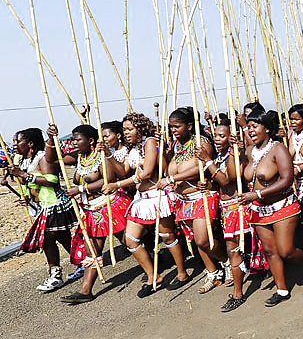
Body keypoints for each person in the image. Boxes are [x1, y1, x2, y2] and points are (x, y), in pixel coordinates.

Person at [238, 109, 303, 307]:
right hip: (259, 210)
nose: (250, 130)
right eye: (248, 127)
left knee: (285, 251)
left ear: (266, 128)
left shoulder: (278, 149)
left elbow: (287, 180)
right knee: (270, 251)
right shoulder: (249, 152)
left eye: (254, 126)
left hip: (282, 205)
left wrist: (257, 194)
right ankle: (282, 290)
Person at [104, 112, 188, 297]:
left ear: (139, 128)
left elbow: (148, 172)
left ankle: (182, 273)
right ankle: (153, 276)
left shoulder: (150, 142)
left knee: (167, 236)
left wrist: (117, 185)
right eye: (124, 130)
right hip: (141, 198)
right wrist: (107, 155)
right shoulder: (131, 148)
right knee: (131, 239)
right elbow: (122, 170)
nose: (126, 133)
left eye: (129, 129)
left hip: (157, 195)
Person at [45, 124, 130, 304]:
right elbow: (52, 159)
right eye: (73, 139)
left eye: (78, 139)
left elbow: (108, 179)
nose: (74, 142)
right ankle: (85, 291)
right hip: (90, 210)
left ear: (90, 141)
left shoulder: (101, 155)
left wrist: (80, 189)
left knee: (129, 242)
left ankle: (153, 266)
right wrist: (52, 139)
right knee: (92, 250)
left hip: (109, 206)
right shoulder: (78, 157)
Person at [155, 107, 228, 294]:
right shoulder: (175, 145)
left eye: (177, 126)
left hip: (201, 196)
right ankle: (213, 273)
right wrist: (162, 151)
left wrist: (172, 180)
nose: (173, 130)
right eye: (170, 127)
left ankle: (227, 262)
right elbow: (167, 170)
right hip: (183, 201)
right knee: (196, 240)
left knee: (204, 239)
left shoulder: (201, 142)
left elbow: (201, 167)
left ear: (189, 126)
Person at [8, 128, 78, 292]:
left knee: (47, 238)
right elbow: (28, 184)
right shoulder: (23, 160)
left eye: (18, 141)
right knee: (62, 237)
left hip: (54, 203)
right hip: (41, 206)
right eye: (14, 141)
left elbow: (52, 181)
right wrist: (25, 196)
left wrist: (24, 175)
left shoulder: (42, 157)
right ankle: (82, 261)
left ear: (30, 144)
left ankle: (55, 275)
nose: (14, 145)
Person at [196, 120, 251, 311]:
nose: (217, 139)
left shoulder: (233, 154)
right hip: (226, 207)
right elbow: (219, 183)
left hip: (237, 207)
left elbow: (226, 179)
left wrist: (208, 162)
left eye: (222, 136)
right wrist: (208, 186)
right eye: (216, 135)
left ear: (231, 137)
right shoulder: (221, 155)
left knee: (233, 249)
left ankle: (238, 294)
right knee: (234, 248)